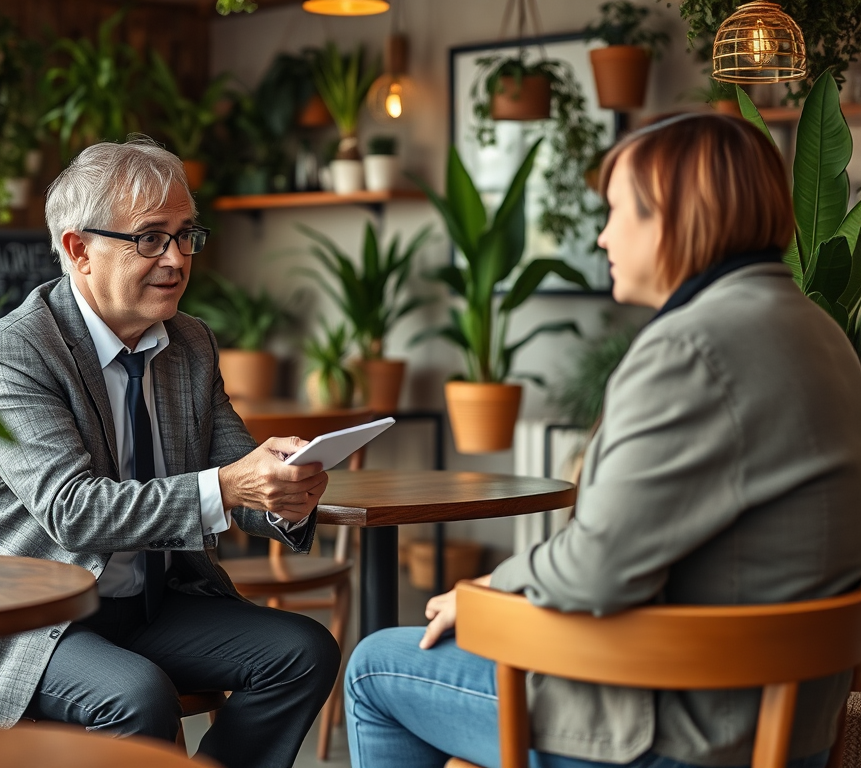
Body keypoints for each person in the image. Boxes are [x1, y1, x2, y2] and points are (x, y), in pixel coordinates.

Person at [344, 113, 861, 768]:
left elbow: (599, 570)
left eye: (618, 211)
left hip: (681, 732)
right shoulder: (819, 333)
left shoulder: (692, 348)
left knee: (374, 666)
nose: (603, 234)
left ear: (675, 216)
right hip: (786, 730)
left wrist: (488, 592)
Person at [0, 138, 340, 768]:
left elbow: (235, 466)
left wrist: (283, 492)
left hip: (147, 605)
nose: (176, 258)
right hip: (26, 625)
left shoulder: (189, 342)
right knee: (137, 696)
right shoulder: (15, 351)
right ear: (78, 249)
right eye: (150, 238)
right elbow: (73, 510)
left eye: (186, 234)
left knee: (303, 652)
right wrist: (230, 487)